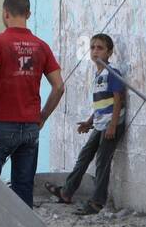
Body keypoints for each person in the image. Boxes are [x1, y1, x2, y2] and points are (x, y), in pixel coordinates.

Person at [0, 0, 64, 207]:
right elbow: (59, 86)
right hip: (30, 127)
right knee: (23, 187)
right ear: (29, 14)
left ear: (5, 13)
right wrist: (42, 116)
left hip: (0, 125)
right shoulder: (41, 46)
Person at [46, 33, 124, 215]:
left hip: (110, 125)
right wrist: (89, 122)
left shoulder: (111, 73)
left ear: (109, 52)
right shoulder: (97, 75)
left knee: (102, 161)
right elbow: (101, 105)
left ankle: (97, 202)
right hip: (99, 124)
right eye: (92, 47)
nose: (95, 51)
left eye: (100, 48)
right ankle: (67, 191)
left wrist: (113, 125)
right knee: (84, 155)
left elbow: (118, 100)